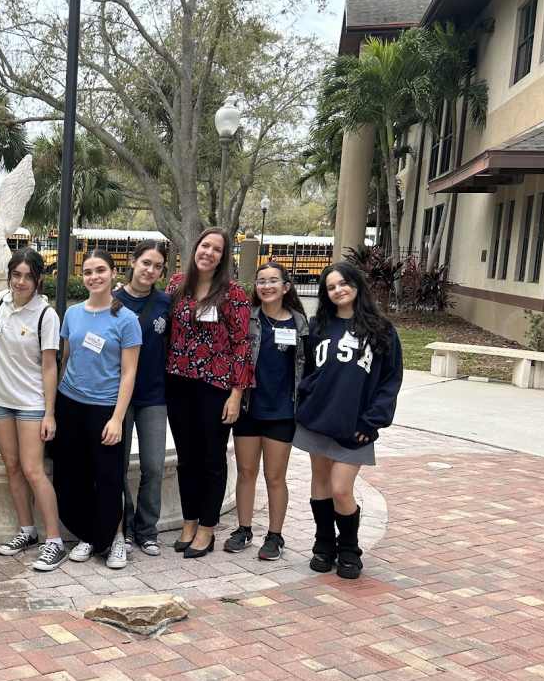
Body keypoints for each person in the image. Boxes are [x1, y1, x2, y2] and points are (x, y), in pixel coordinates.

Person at [294, 261, 402, 579]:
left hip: (355, 425)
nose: (338, 290)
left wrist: (372, 422)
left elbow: (390, 381)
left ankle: (350, 548)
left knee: (342, 489)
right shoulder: (318, 327)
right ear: (325, 293)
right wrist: (307, 399)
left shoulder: (381, 330)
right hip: (318, 419)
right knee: (320, 482)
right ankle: (324, 544)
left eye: (343, 283)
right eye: (331, 286)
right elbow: (306, 371)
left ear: (356, 285)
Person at [164, 226, 253, 558]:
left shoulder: (233, 294)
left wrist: (236, 393)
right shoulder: (176, 285)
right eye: (205, 246)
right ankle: (189, 522)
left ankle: (207, 529)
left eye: (217, 249)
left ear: (223, 256)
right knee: (187, 459)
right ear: (195, 249)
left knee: (212, 459)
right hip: (178, 383)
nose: (209, 253)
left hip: (216, 387)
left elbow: (242, 345)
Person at [53, 249, 141, 569]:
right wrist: (52, 408)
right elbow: (65, 360)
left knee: (108, 477)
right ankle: (88, 535)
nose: (94, 277)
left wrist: (118, 418)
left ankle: (115, 538)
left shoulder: (126, 320)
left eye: (100, 270)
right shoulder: (73, 314)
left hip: (105, 408)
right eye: (88, 272)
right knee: (73, 474)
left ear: (113, 273)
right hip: (70, 403)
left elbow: (130, 373)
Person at [0, 249, 66, 572]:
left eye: (28, 276)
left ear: (38, 279)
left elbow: (50, 367)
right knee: (12, 465)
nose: (21, 282)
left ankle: (55, 541)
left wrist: (50, 412)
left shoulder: (46, 315)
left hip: (31, 402)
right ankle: (27, 531)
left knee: (33, 469)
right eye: (16, 274)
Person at [228, 262, 309, 561]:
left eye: (273, 280)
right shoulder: (247, 320)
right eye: (260, 281)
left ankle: (275, 536)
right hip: (248, 407)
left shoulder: (300, 325)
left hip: (282, 412)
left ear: (286, 287)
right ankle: (244, 529)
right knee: (246, 472)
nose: (266, 285)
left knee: (275, 477)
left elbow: (306, 369)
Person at [113, 241, 171, 558]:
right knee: (118, 466)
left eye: (157, 266)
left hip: (153, 397)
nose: (150, 270)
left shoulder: (165, 303)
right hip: (119, 398)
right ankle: (125, 525)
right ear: (133, 262)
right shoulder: (113, 301)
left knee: (153, 466)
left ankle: (147, 530)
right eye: (146, 263)